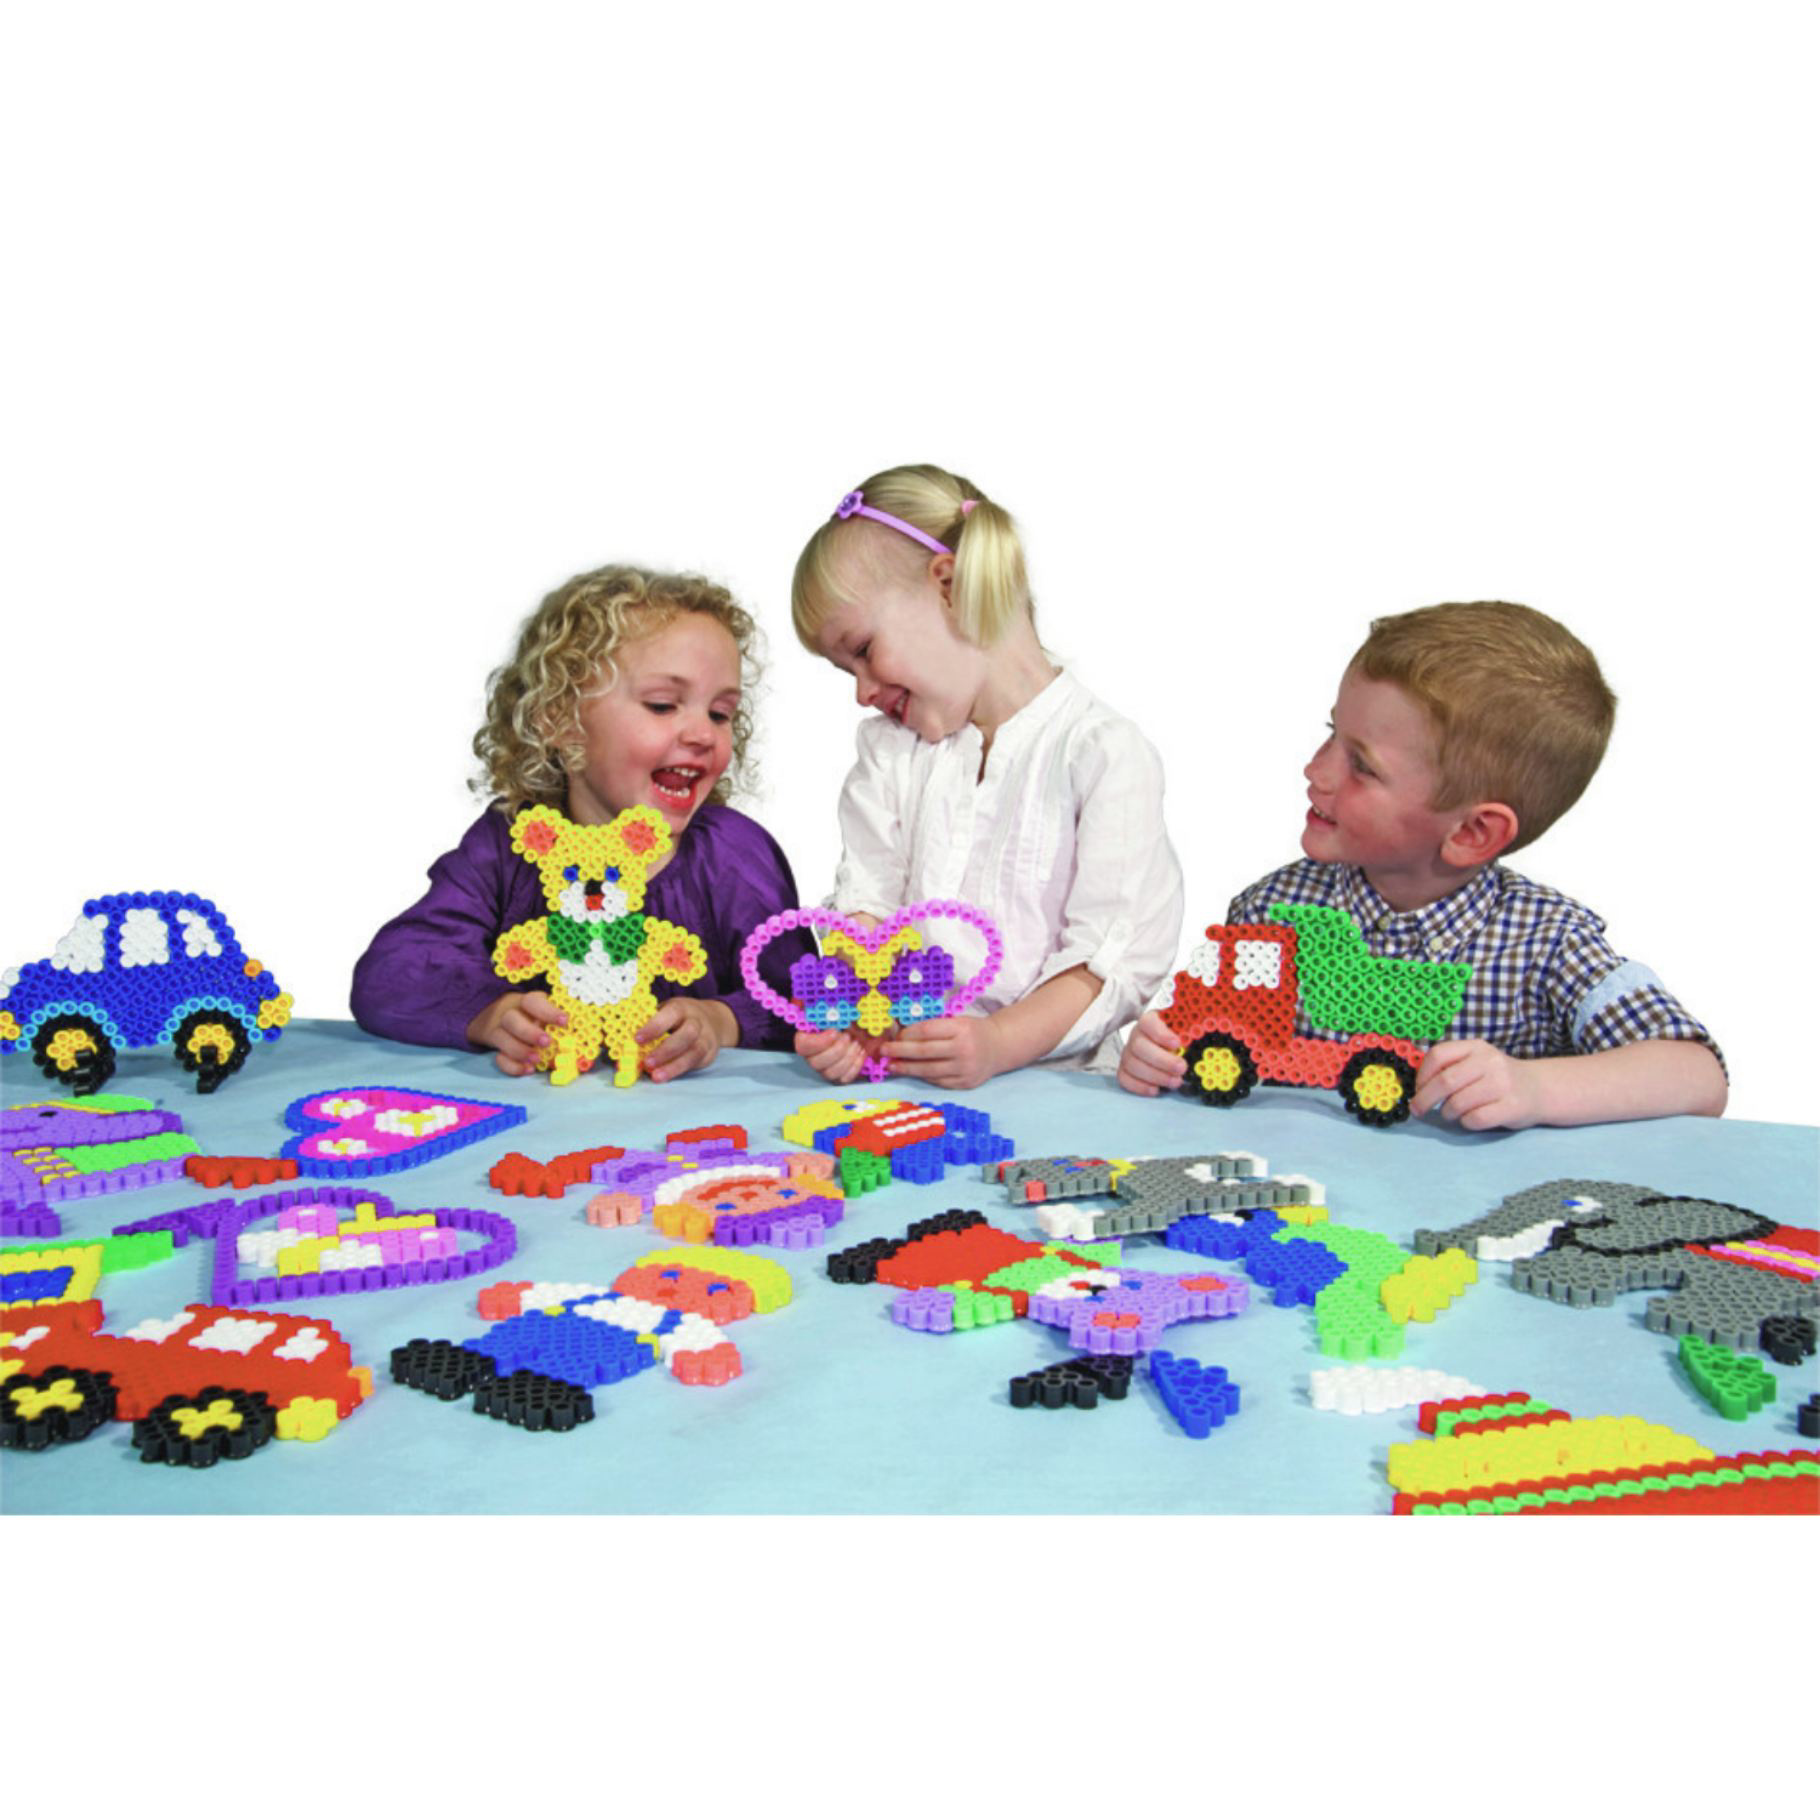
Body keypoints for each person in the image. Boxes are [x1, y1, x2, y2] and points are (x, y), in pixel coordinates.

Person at [1118, 601, 1727, 1128]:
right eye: (1331, 733)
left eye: (1362, 765)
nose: (1316, 770)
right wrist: (1163, 1056)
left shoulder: (1546, 942)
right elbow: (1216, 1052)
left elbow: (1698, 1075)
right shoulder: (1270, 911)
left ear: (1472, 832)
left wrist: (1537, 1089)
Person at [791, 463, 1184, 1089]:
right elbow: (867, 905)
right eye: (847, 672)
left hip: (1059, 1094)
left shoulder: (1101, 754)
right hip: (903, 1085)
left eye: (863, 651)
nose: (862, 693)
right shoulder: (891, 755)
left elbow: (1110, 960)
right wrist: (851, 1015)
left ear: (947, 586)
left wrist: (998, 1043)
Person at [352, 564, 813, 1080]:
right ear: (559, 719)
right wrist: (489, 1015)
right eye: (663, 705)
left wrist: (722, 1021)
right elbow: (391, 972)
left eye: (720, 714)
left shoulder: (735, 856)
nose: (703, 734)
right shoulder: (508, 845)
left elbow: (808, 999)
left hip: (700, 1124)